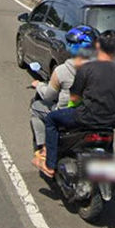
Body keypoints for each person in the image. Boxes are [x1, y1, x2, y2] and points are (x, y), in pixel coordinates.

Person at [32, 30, 115, 178]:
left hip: (85, 118)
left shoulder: (86, 69)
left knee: (52, 119)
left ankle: (50, 164)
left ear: (98, 46)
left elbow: (75, 98)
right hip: (111, 122)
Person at [29, 27, 95, 163]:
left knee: (36, 108)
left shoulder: (62, 71)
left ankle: (44, 149)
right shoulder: (101, 68)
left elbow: (48, 96)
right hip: (95, 114)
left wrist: (39, 85)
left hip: (68, 114)